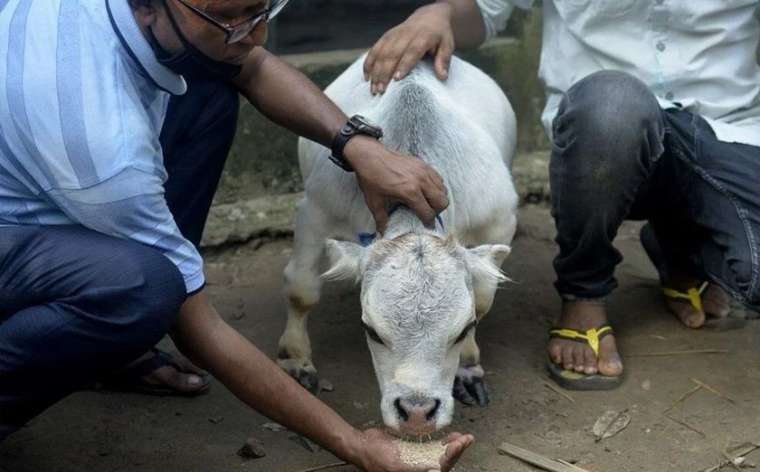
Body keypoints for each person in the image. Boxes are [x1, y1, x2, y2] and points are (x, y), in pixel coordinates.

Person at [0, 0, 473, 470]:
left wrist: (356, 145)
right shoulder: (102, 147)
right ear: (146, 7)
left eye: (259, 11)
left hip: (47, 170)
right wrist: (354, 444)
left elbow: (250, 65)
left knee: (208, 87)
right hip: (21, 218)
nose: (254, 34)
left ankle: (109, 346)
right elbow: (200, 328)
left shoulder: (165, 21)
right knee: (144, 288)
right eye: (225, 18)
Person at [364, 0, 760, 390]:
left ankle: (682, 245)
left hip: (732, 130)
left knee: (753, 281)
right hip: (604, 133)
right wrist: (441, 14)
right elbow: (484, 9)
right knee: (613, 104)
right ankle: (583, 289)